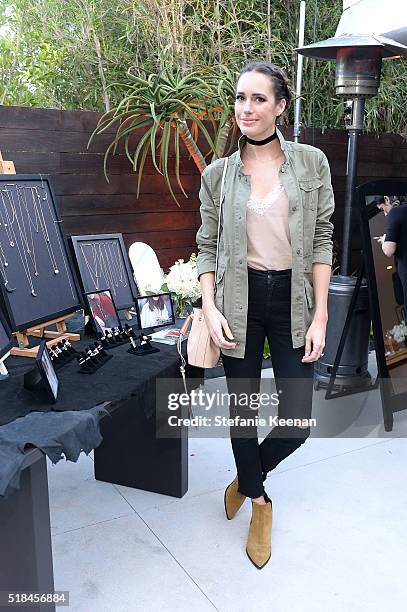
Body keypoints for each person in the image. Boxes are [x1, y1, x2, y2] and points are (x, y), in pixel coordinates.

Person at [196, 61, 334, 569]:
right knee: (243, 411)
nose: (246, 109)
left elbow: (321, 239)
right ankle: (259, 504)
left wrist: (320, 316)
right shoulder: (219, 175)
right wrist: (209, 307)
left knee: (296, 420)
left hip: (292, 301)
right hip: (238, 300)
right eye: (239, 98)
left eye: (258, 99)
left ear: (280, 106)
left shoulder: (311, 164)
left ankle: (247, 476)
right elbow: (206, 247)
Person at [375, 195, 407, 323]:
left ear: (387, 199)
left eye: (383, 209)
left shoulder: (395, 213)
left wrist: (384, 240)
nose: (384, 214)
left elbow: (389, 250)